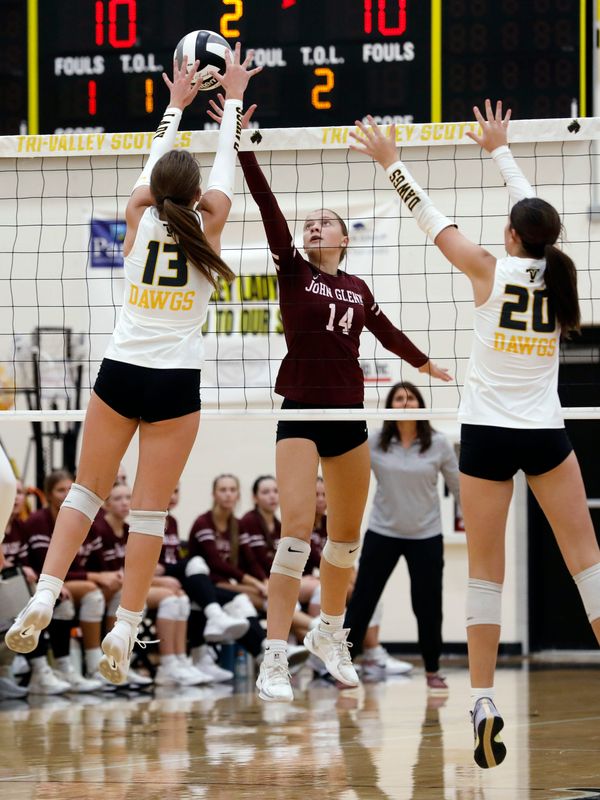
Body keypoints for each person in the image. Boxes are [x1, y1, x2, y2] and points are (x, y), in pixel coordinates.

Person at [350, 101, 600, 769]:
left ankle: (483, 701)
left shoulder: (489, 269)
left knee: (486, 577)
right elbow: (534, 216)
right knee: (589, 564)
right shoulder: (560, 276)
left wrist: (391, 162)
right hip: (546, 435)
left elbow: (429, 217)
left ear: (512, 237)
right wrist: (503, 154)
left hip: (486, 438)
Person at [5, 46, 261, 686]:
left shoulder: (139, 218)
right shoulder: (213, 224)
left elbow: (153, 173)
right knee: (149, 512)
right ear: (199, 195)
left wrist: (175, 107)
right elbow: (227, 168)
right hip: (175, 382)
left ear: (156, 194)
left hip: (120, 370)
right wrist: (230, 104)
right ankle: (124, 627)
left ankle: (44, 596)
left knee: (87, 493)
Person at [208, 96, 451, 703]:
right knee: (296, 535)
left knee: (345, 540)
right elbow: (266, 207)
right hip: (302, 414)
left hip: (348, 416)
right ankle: (272, 657)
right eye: (310, 221)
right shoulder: (293, 268)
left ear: (345, 238)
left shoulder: (358, 286)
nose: (315, 226)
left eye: (326, 222)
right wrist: (240, 143)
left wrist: (424, 363)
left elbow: (385, 330)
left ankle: (331, 634)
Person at [344, 381, 460, 690]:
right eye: (398, 398)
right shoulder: (375, 443)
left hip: (426, 534)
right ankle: (344, 666)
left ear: (421, 405)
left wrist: (476, 523)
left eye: (411, 399)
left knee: (427, 604)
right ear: (389, 406)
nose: (405, 403)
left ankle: (433, 669)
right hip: (383, 531)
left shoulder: (438, 443)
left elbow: (460, 486)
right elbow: (350, 479)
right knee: (363, 600)